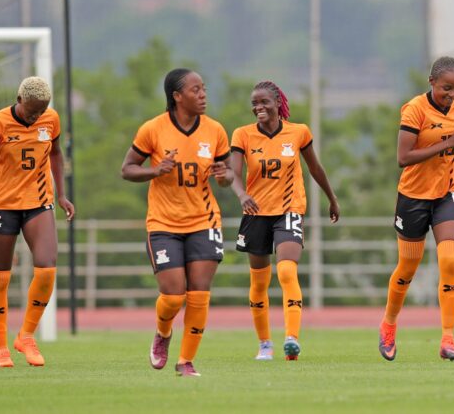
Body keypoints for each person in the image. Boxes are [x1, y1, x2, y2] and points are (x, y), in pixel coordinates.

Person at [121, 68, 232, 377]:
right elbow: (127, 169)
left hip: (204, 221)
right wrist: (155, 171)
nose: (203, 94)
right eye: (195, 90)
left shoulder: (215, 131)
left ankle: (185, 361)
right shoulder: (153, 130)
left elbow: (228, 175)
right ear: (177, 97)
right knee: (172, 296)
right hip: (164, 223)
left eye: (204, 88)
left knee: (199, 293)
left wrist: (226, 177)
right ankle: (163, 332)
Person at [378, 56, 454, 362]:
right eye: (446, 88)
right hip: (413, 196)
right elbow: (404, 157)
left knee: (450, 263)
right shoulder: (414, 110)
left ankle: (448, 339)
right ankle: (388, 325)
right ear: (431, 82)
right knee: (407, 269)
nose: (452, 94)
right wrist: (448, 142)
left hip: (447, 192)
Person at [0, 76, 75, 368]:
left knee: (47, 268)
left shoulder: (51, 119)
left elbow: (55, 153)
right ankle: (1, 347)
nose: (36, 115)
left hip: (39, 202)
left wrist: (62, 194)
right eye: (31, 110)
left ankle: (26, 336)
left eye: (41, 110)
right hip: (3, 205)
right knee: (0, 277)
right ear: (19, 100)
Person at [229, 80, 339, 361]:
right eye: (254, 103)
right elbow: (233, 173)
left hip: (289, 210)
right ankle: (265, 343)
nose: (259, 107)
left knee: (287, 272)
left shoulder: (298, 132)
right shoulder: (242, 135)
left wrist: (332, 198)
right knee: (259, 284)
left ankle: (292, 339)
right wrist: (241, 195)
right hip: (255, 214)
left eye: (264, 101)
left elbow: (315, 167)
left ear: (278, 103)